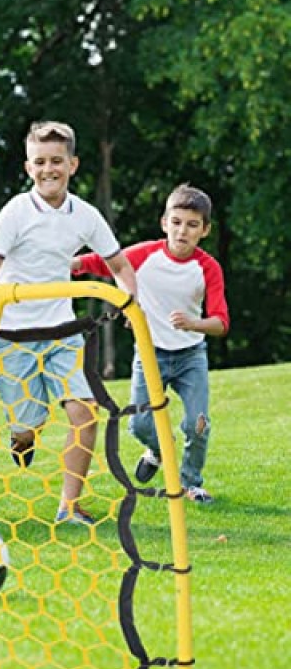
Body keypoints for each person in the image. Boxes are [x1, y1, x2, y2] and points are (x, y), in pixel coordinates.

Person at [0, 120, 137, 526]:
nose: (48, 170)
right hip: (13, 335)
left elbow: (121, 267)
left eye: (56, 161)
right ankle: (22, 435)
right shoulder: (16, 213)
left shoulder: (85, 215)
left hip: (61, 330)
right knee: (28, 426)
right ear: (28, 167)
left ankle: (68, 506)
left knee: (85, 413)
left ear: (73, 164)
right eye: (39, 162)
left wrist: (132, 304)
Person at [72, 183, 229, 503]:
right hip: (150, 353)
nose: (182, 231)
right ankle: (158, 449)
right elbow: (102, 263)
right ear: (164, 223)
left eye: (192, 225)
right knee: (140, 424)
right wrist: (67, 264)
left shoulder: (208, 268)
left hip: (190, 356)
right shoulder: (145, 255)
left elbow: (221, 323)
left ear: (205, 230)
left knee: (197, 424)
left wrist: (193, 323)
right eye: (176, 222)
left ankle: (191, 483)